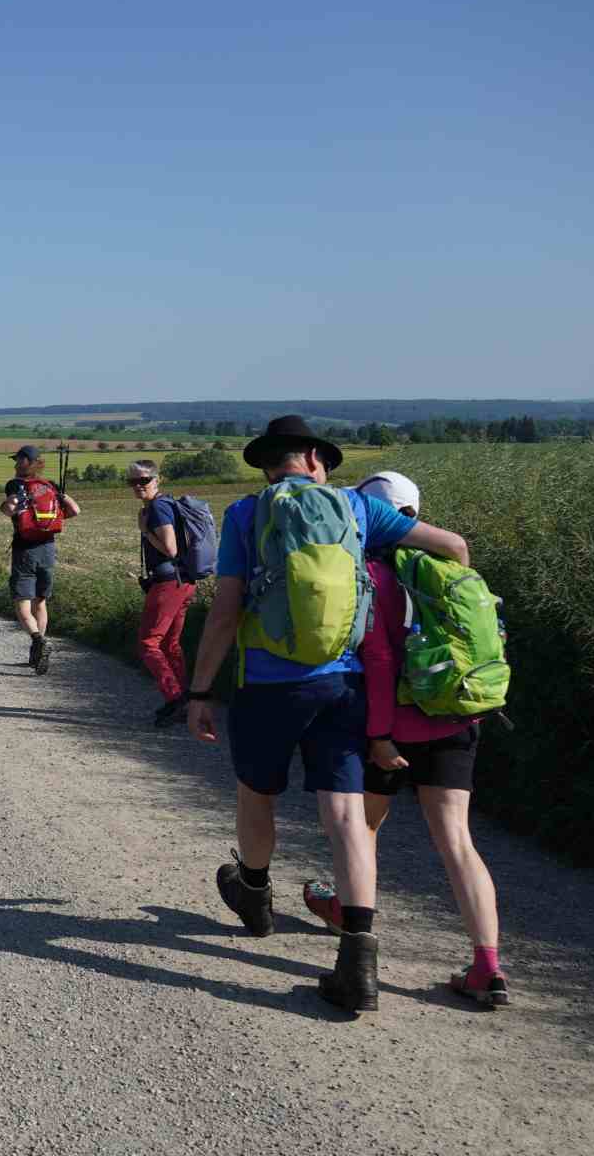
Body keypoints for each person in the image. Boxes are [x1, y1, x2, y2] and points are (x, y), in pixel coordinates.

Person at [183, 416, 471, 1013]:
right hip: (344, 684)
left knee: (256, 794)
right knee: (345, 814)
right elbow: (453, 547)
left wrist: (200, 691)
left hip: (267, 686)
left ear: (269, 465)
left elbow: (226, 611)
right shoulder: (359, 509)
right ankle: (358, 958)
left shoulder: (247, 513)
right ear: (316, 458)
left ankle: (255, 895)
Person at [300, 471, 510, 1008]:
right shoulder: (448, 567)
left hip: (392, 731)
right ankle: (487, 966)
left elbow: (378, 660)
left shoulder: (372, 574)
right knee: (458, 842)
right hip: (457, 720)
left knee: (363, 829)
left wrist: (378, 736)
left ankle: (348, 919)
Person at [0, 445, 81, 674]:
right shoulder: (50, 486)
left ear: (26, 462)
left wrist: (6, 507)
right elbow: (75, 511)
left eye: (18, 460)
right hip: (48, 549)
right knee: (40, 602)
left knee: (22, 603)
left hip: (24, 550)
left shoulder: (15, 485)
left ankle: (38, 640)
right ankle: (36, 653)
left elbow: (9, 509)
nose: (16, 464)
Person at [129, 459, 194, 725]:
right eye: (132, 481)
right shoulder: (165, 503)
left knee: (149, 643)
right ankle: (185, 699)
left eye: (144, 480)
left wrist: (145, 531)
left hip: (168, 583)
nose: (138, 485)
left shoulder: (158, 508)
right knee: (170, 644)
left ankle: (175, 698)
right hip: (184, 581)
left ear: (157, 480)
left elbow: (170, 549)